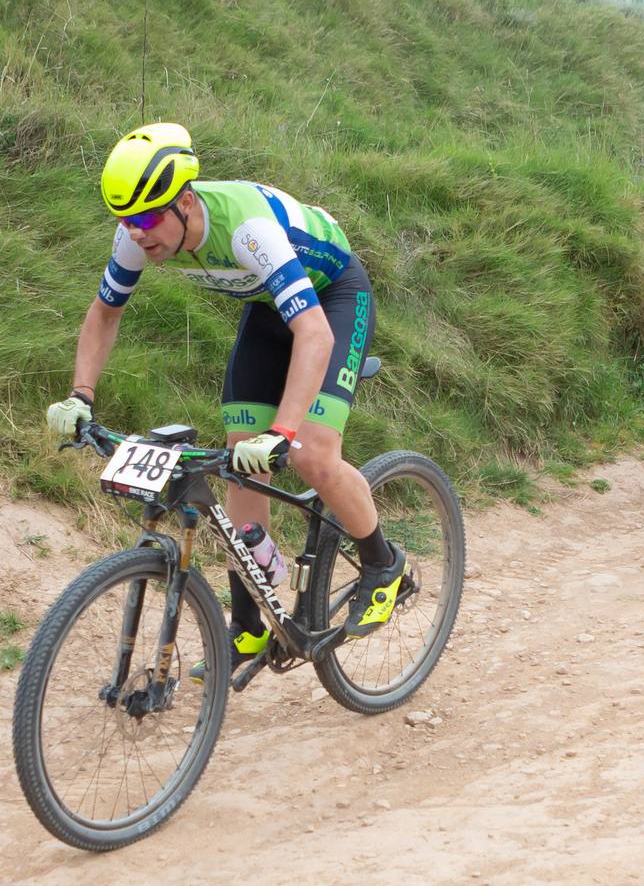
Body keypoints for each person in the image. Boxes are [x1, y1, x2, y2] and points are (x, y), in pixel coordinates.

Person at [46, 122, 409, 678]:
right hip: (269, 308)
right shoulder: (141, 234)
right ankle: (249, 625)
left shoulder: (247, 232)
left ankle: (384, 566)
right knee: (237, 462)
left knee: (310, 451)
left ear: (185, 201)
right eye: (125, 221)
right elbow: (104, 313)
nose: (136, 235)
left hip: (332, 298)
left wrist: (283, 432)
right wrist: (80, 396)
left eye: (146, 219)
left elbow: (315, 334)